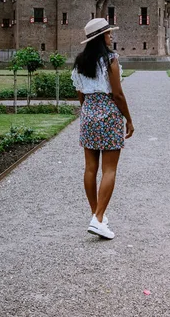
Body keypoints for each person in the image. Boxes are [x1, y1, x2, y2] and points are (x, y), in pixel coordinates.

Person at [71, 17, 134, 240]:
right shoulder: (110, 60)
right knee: (109, 170)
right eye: (108, 33)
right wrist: (128, 118)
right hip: (108, 114)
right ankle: (98, 219)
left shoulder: (80, 62)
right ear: (100, 38)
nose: (111, 36)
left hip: (88, 114)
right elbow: (117, 94)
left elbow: (80, 93)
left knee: (90, 168)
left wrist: (89, 113)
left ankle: (96, 214)